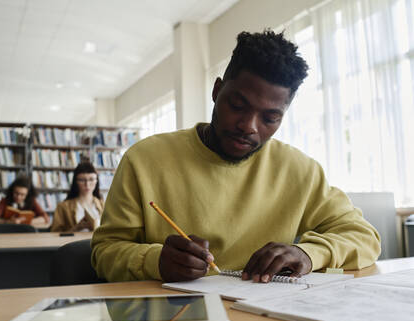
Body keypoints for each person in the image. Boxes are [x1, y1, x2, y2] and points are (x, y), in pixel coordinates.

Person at [91, 30, 380, 283]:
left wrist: (309, 253)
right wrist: (155, 261)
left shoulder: (300, 171)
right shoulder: (145, 160)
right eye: (238, 105)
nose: (249, 126)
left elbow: (364, 237)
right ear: (217, 91)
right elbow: (105, 251)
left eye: (270, 118)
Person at [51, 162, 104, 232]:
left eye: (91, 179)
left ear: (97, 181)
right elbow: (54, 234)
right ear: (75, 182)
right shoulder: (63, 207)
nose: (87, 184)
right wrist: (77, 228)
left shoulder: (103, 205)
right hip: (74, 242)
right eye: (82, 180)